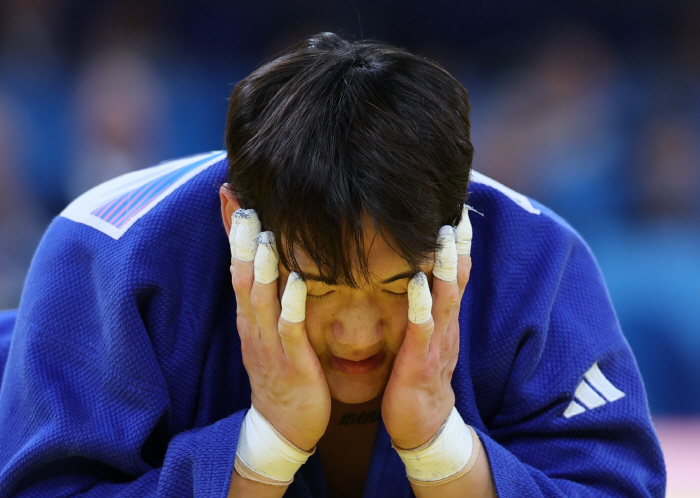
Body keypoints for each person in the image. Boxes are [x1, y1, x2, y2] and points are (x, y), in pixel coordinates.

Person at [0, 33, 664, 497]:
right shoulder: (108, 258)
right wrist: (265, 446)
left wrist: (441, 448)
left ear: (456, 236)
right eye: (314, 284)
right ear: (238, 223)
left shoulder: (536, 264)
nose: (357, 334)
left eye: (400, 285)